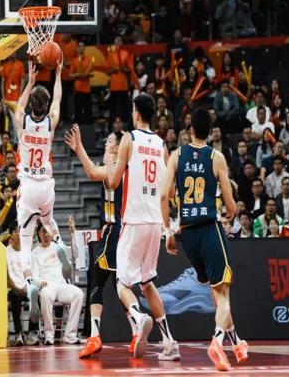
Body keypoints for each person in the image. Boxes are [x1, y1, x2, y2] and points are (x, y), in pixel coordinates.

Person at [160, 108, 248, 371]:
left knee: (216, 291)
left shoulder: (176, 155)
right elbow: (230, 204)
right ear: (210, 132)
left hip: (187, 234)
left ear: (190, 131)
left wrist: (168, 232)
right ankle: (217, 341)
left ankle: (237, 343)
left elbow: (165, 196)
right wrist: (230, 212)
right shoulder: (216, 157)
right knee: (224, 294)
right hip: (210, 229)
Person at [100, 94, 180, 360]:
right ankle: (169, 342)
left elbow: (112, 182)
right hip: (155, 222)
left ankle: (137, 315)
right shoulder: (160, 144)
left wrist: (109, 160)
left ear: (135, 113)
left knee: (122, 284)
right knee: (147, 282)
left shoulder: (129, 139)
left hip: (133, 220)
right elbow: (170, 192)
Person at [64, 129, 139, 358]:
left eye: (109, 141)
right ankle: (137, 330)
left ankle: (96, 336)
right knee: (120, 285)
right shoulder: (131, 170)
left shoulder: (114, 168)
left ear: (117, 148)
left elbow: (91, 172)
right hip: (128, 232)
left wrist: (79, 148)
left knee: (96, 278)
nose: (106, 144)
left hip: (113, 230)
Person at [14, 59, 64, 257]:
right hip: (46, 185)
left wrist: (30, 83)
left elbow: (19, 106)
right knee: (48, 222)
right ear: (46, 105)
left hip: (28, 184)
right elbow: (57, 99)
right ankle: (59, 242)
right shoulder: (51, 123)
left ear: (31, 105)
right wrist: (58, 74)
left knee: (25, 236)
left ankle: (26, 270)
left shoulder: (22, 122)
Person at [31, 221, 83, 345]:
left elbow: (75, 253)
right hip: (47, 286)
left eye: (48, 232)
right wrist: (40, 282)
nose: (46, 235)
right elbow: (34, 276)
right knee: (45, 295)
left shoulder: (58, 247)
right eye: (43, 232)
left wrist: (73, 234)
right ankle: (49, 335)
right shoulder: (35, 253)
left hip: (61, 285)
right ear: (39, 233)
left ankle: (69, 335)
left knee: (78, 294)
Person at [7, 223, 40, 346]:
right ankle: (18, 334)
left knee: (35, 294)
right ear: (11, 234)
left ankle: (32, 333)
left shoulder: (26, 252)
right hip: (12, 288)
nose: (20, 235)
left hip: (25, 287)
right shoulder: (4, 252)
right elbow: (5, 278)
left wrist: (28, 286)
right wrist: (17, 287)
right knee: (15, 295)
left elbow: (30, 272)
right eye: (17, 232)